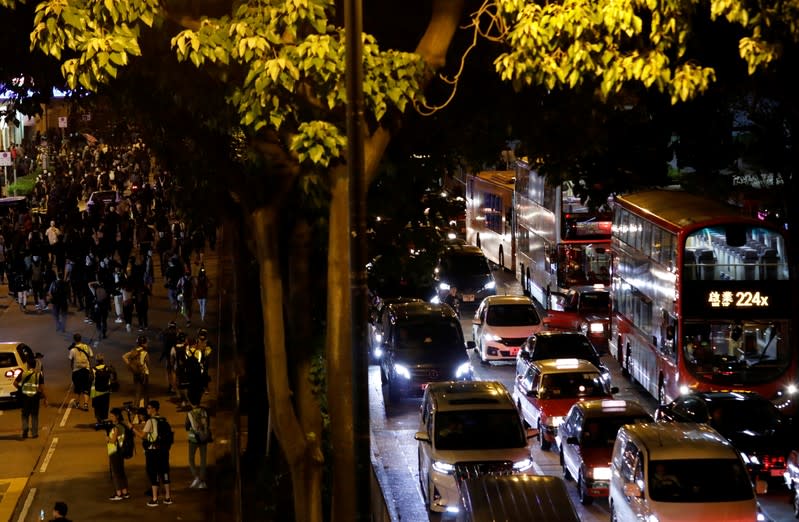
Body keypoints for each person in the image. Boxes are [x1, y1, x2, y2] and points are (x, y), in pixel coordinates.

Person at [129, 400, 173, 507]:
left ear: (154, 409)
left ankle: (154, 499)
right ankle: (168, 497)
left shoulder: (151, 421)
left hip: (153, 451)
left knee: (154, 474)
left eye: (148, 408)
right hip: (164, 450)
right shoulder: (163, 419)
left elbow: (143, 436)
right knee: (165, 473)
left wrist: (132, 428)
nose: (147, 410)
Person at [14, 354, 48, 438]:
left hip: (25, 397)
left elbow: (15, 383)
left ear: (28, 365)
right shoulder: (38, 375)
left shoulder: (23, 374)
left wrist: (20, 388)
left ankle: (25, 428)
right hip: (35, 397)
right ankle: (34, 433)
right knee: (34, 415)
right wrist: (45, 398)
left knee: (25, 414)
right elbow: (42, 388)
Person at [185, 400, 211, 489]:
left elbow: (187, 426)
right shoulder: (204, 411)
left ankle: (196, 477)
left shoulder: (190, 413)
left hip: (193, 438)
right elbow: (208, 423)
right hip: (204, 438)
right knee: (203, 459)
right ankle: (202, 481)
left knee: (191, 458)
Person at [106, 408, 130, 501]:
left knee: (116, 473)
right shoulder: (122, 426)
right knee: (121, 472)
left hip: (115, 452)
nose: (110, 417)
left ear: (117, 416)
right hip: (120, 452)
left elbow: (113, 440)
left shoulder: (116, 427)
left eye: (112, 416)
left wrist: (108, 438)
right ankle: (125, 492)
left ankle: (118, 493)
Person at [123, 336, 150, 408]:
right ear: (143, 344)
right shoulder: (145, 353)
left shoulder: (134, 351)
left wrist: (130, 365)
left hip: (136, 374)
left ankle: (136, 407)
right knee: (145, 392)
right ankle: (146, 407)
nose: (147, 344)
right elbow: (148, 363)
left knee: (137, 392)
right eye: (146, 343)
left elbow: (124, 356)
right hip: (144, 374)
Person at [68, 333, 93, 411]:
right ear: (81, 338)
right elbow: (91, 356)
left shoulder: (72, 349)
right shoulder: (86, 347)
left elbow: (71, 359)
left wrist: (72, 368)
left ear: (74, 339)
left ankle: (78, 403)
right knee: (86, 388)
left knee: (77, 388)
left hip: (76, 371)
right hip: (86, 370)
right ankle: (85, 405)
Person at [91, 354, 113, 424]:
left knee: (97, 406)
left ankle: (98, 419)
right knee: (105, 405)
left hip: (96, 390)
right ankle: (103, 419)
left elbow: (90, 379)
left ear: (96, 361)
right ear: (103, 360)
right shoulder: (107, 368)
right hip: (106, 390)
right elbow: (112, 376)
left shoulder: (93, 369)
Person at [159, 321, 178, 394]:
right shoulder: (177, 335)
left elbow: (164, 347)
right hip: (176, 357)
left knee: (169, 372)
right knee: (174, 372)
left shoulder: (166, 335)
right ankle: (174, 387)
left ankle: (171, 387)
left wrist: (161, 357)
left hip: (168, 357)